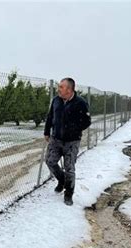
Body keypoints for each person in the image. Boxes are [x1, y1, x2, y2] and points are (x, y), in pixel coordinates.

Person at [44, 78, 91, 206]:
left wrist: (73, 129)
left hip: (72, 142)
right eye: (59, 86)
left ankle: (68, 194)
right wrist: (47, 132)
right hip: (56, 139)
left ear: (69, 89)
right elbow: (50, 116)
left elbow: (87, 121)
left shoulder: (80, 103)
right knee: (50, 161)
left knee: (69, 168)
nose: (58, 89)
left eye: (61, 87)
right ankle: (62, 180)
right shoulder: (56, 101)